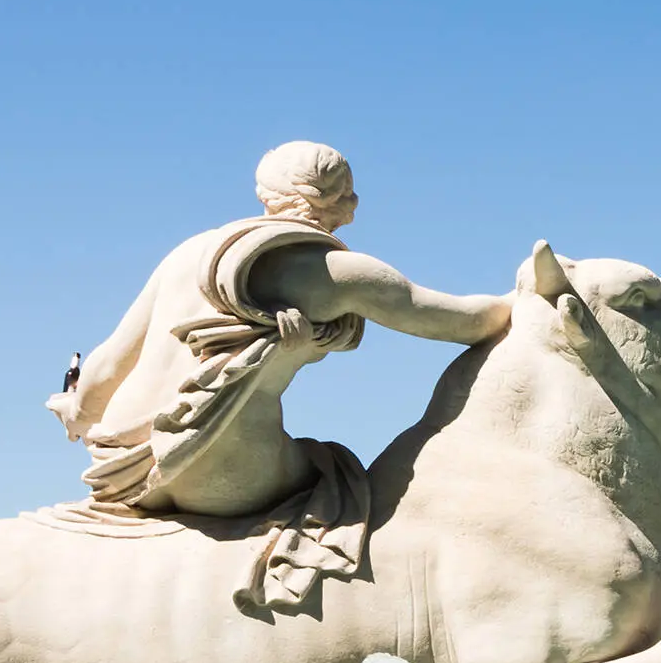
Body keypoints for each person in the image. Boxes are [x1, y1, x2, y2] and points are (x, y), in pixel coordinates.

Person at [43, 142, 513, 609]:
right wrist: (531, 297)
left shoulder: (193, 252)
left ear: (265, 192)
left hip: (128, 467)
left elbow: (105, 364)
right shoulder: (338, 273)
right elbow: (467, 322)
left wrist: (77, 412)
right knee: (336, 472)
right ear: (344, 202)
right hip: (213, 470)